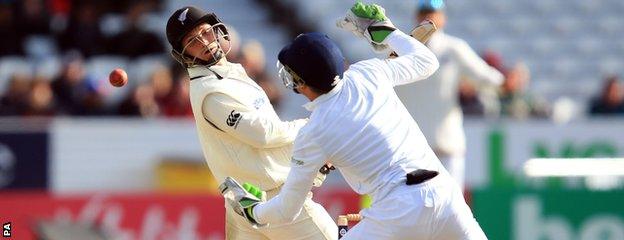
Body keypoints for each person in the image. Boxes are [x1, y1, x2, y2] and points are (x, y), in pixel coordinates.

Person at [222, 2, 487, 239]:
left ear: (300, 82)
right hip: (444, 194)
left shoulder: (313, 133)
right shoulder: (367, 72)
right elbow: (426, 61)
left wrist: (254, 211)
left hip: (396, 213)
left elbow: (287, 209)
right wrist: (386, 32)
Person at [164, 6, 336, 239]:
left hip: (249, 201)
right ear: (182, 54)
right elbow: (263, 134)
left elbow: (261, 141)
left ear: (217, 29)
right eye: (193, 41)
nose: (205, 42)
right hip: (271, 200)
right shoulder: (211, 92)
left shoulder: (228, 73)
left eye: (206, 32)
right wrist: (310, 124)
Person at [394, 0, 504, 190]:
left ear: (443, 18)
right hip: (410, 151)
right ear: (416, 16)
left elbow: (485, 77)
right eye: (424, 13)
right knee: (412, 210)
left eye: (433, 13)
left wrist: (504, 82)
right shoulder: (400, 49)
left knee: (450, 210)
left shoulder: (453, 48)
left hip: (446, 146)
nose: (429, 17)